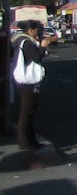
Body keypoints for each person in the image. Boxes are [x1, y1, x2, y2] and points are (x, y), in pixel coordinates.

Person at [11, 20, 52, 150]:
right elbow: (36, 58)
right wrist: (43, 47)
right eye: (37, 30)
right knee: (27, 111)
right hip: (28, 82)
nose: (38, 33)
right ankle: (24, 142)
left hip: (25, 82)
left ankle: (31, 140)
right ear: (31, 30)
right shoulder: (27, 42)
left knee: (30, 110)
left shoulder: (21, 40)